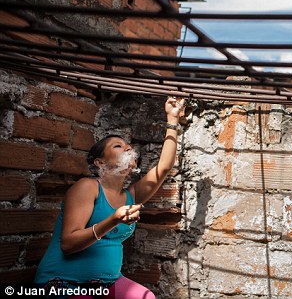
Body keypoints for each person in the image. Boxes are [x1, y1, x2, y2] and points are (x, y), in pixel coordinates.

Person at [35, 96, 186, 299]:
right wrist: (113, 219)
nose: (127, 148)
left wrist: (173, 118)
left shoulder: (131, 196)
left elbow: (164, 167)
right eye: (117, 146)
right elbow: (68, 245)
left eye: (128, 146)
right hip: (63, 281)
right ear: (100, 162)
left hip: (106, 283)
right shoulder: (87, 187)